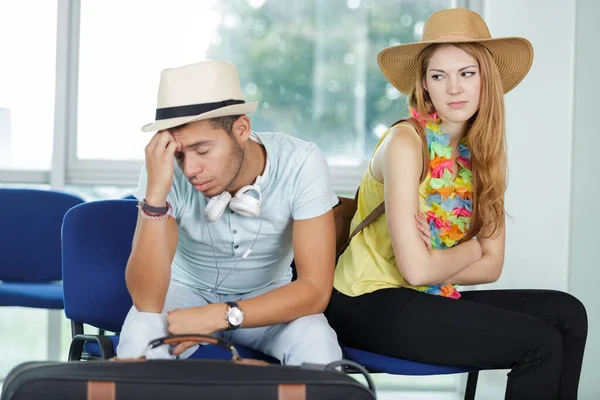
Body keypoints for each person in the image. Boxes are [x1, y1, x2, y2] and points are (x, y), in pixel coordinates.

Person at [326, 8, 587, 399]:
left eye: (467, 73)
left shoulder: (484, 151)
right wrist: (473, 246)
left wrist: (443, 260)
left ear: (486, 79)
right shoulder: (405, 143)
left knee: (568, 314)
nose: (454, 89)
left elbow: (492, 268)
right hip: (366, 302)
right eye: (438, 76)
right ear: (424, 86)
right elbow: (416, 270)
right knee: (539, 343)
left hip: (422, 298)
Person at [117, 59, 342, 366]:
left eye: (203, 150)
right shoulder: (165, 171)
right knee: (142, 330)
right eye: (181, 155)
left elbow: (315, 291)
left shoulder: (301, 163)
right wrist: (155, 197)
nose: (191, 169)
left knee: (318, 342)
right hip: (184, 296)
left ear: (241, 129)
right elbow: (147, 301)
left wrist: (219, 316)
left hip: (268, 299)